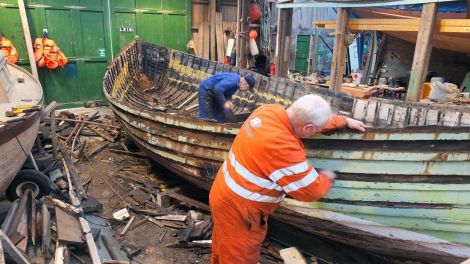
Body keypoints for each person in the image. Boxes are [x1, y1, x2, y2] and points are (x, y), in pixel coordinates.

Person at [209, 94, 367, 264]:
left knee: (222, 247)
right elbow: (310, 191)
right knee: (239, 257)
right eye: (315, 131)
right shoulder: (281, 145)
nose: (315, 134)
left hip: (223, 194)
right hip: (241, 212)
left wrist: (342, 121)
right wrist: (326, 178)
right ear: (307, 128)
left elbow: (305, 119)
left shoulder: (268, 111)